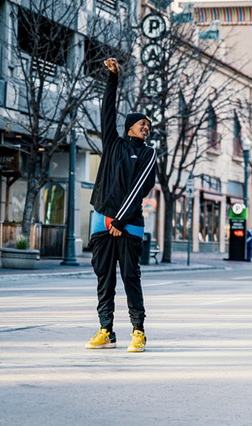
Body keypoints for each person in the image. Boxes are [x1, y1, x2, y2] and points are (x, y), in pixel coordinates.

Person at [85, 58, 157, 352]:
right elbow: (107, 109)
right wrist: (112, 78)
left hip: (129, 225)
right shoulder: (113, 145)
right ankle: (106, 330)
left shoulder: (148, 154)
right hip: (103, 220)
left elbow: (139, 188)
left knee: (130, 276)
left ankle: (138, 331)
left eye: (149, 126)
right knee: (104, 278)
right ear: (130, 127)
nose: (147, 129)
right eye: (143, 124)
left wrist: (118, 220)